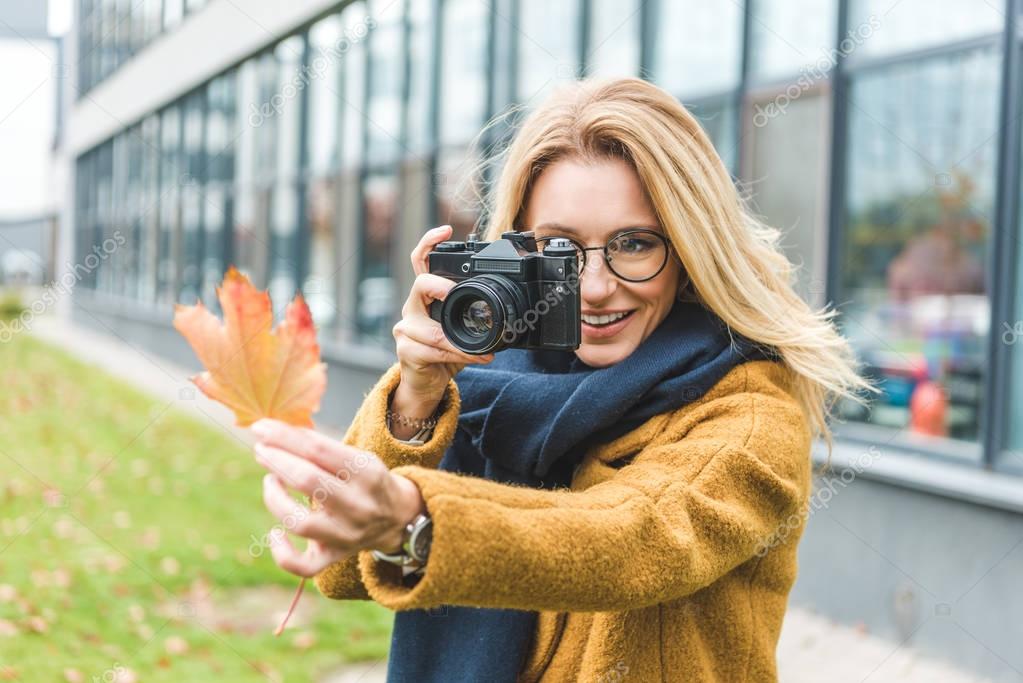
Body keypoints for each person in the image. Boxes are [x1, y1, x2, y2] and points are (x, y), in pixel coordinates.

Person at [249, 77, 873, 682]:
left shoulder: (747, 410)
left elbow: (634, 538)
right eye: (561, 249)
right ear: (518, 248)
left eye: (633, 243)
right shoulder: (476, 384)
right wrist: (416, 394)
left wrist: (418, 518)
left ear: (687, 251)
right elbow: (345, 572)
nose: (598, 287)